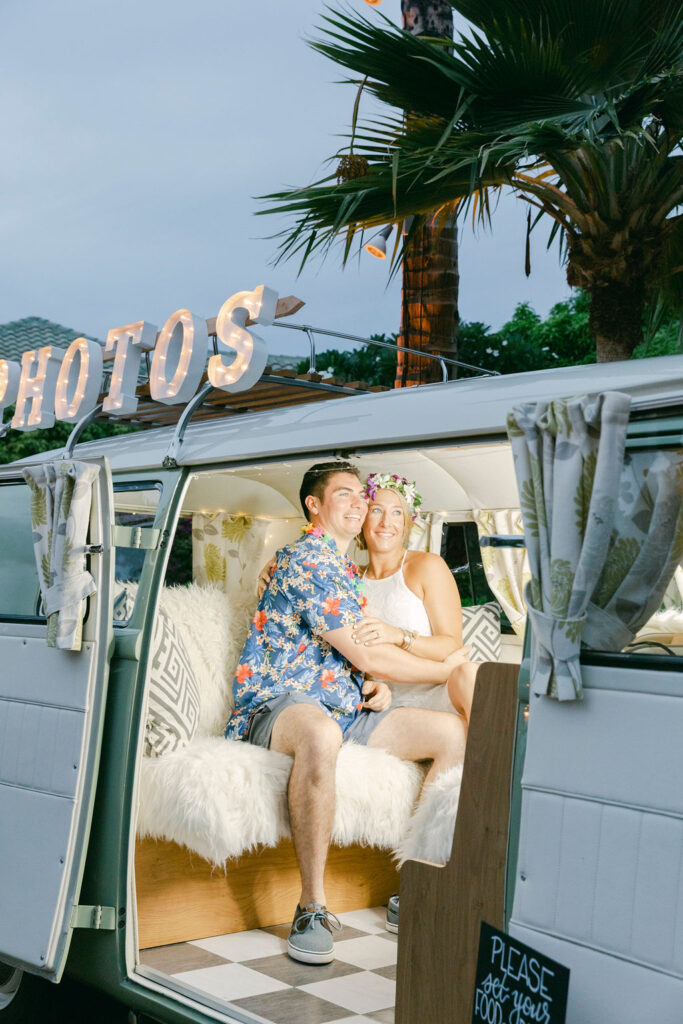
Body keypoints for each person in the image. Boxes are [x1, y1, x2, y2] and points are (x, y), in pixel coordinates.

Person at [225, 462, 469, 965]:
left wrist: (371, 682)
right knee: (318, 735)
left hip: (345, 706)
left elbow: (357, 655)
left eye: (363, 495)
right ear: (314, 505)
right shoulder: (306, 560)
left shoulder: (344, 572)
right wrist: (449, 669)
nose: (360, 504)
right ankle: (311, 906)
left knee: (449, 733)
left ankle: (417, 883)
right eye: (345, 495)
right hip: (281, 702)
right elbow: (368, 652)